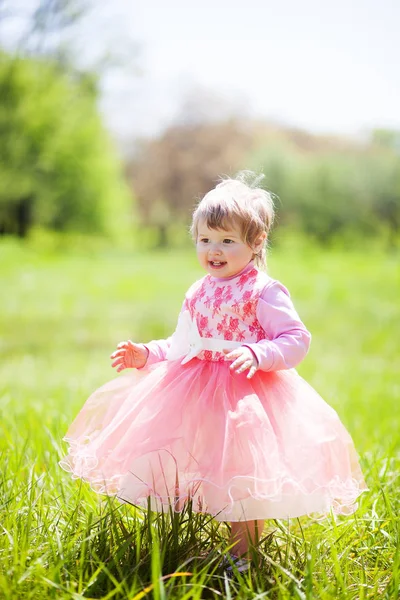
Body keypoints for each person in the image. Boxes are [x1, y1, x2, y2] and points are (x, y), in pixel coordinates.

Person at [60, 171, 366, 574]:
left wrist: (259, 353)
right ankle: (184, 542)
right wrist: (147, 353)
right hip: (195, 390)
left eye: (227, 240)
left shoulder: (263, 290)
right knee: (193, 464)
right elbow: (183, 343)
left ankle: (245, 555)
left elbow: (296, 338)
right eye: (205, 240)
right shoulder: (198, 290)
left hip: (244, 397)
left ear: (256, 243)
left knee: (241, 475)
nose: (213, 250)